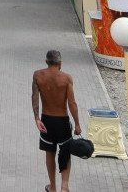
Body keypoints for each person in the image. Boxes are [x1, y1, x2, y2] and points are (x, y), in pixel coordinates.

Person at [32, 49, 81, 192]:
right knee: (65, 152)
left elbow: (34, 97)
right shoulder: (66, 78)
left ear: (47, 62)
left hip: (46, 120)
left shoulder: (38, 75)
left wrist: (36, 119)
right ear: (60, 63)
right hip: (62, 121)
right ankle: (64, 186)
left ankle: (52, 187)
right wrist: (77, 123)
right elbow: (72, 103)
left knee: (50, 153)